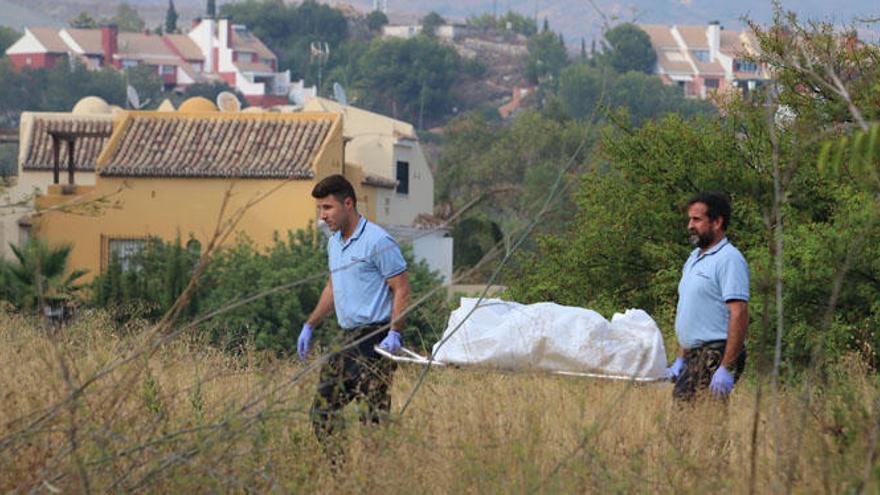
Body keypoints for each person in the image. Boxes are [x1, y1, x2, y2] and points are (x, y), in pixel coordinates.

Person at [297, 174, 410, 456]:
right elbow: (333, 288)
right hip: (346, 338)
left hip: (376, 338)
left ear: (348, 203)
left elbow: (402, 288)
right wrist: (309, 325)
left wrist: (395, 332)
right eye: (320, 209)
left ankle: (375, 480)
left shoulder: (378, 241)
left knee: (371, 418)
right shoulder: (334, 243)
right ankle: (342, 476)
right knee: (322, 412)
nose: (323, 216)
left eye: (327, 208)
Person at [666, 192, 749, 401]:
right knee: (699, 421)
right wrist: (682, 359)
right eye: (689, 219)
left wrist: (726, 367)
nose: (690, 225)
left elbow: (738, 313)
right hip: (694, 354)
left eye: (697, 219)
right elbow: (694, 314)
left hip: (714, 352)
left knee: (690, 417)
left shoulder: (729, 259)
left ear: (717, 222)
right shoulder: (694, 258)